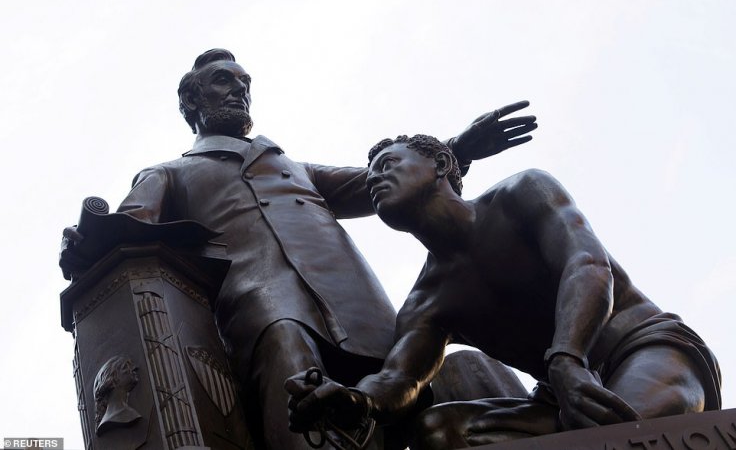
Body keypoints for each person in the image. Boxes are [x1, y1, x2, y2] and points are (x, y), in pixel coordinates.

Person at [59, 49, 537, 449]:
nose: (238, 89)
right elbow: (126, 228)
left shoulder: (290, 164)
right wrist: (87, 242)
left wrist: (457, 148)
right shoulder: (168, 173)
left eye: (244, 82)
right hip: (262, 311)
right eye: (223, 80)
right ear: (192, 100)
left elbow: (375, 181)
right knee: (291, 354)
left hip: (357, 309)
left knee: (452, 373)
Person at [286, 135, 721, 449]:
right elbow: (399, 378)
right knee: (440, 432)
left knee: (626, 432)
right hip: (560, 400)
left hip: (645, 349)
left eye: (389, 164)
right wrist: (355, 399)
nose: (375, 179)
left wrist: (567, 359)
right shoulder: (427, 301)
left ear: (440, 162)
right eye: (371, 175)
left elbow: (587, 266)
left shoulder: (522, 194)